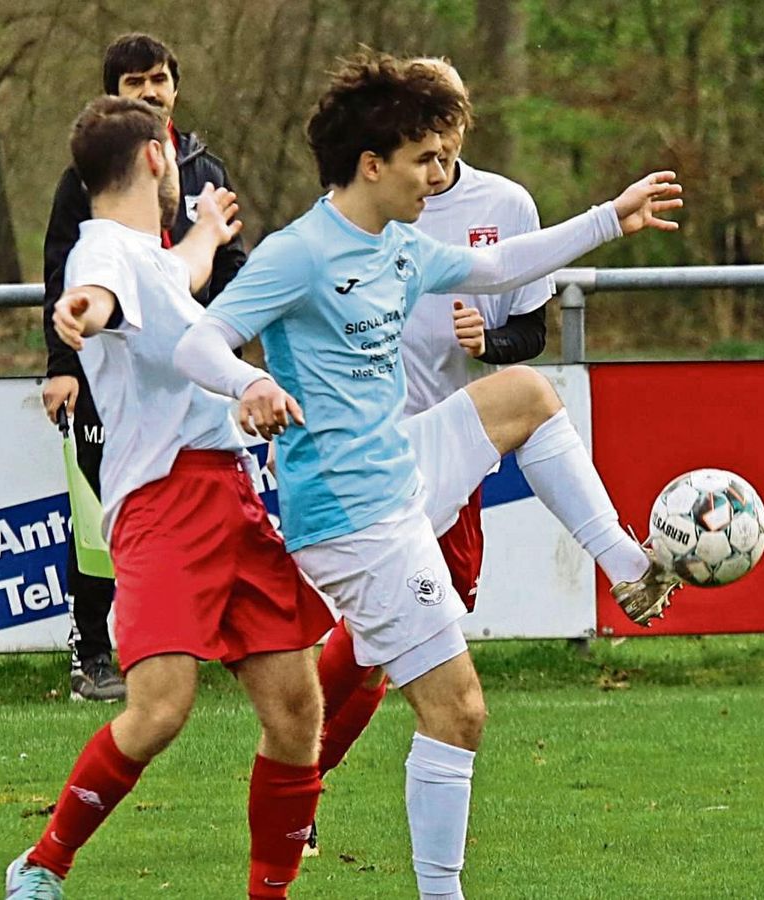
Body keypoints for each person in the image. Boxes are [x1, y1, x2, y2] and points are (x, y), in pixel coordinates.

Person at [174, 50, 683, 899]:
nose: (439, 176)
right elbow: (196, 340)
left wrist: (609, 218)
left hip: (398, 466)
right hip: (351, 515)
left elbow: (497, 268)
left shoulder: (399, 244)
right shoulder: (300, 253)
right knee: (458, 712)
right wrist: (251, 380)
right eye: (425, 160)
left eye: (445, 158)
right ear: (371, 164)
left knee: (523, 391)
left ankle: (627, 568)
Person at [4, 95, 333, 900]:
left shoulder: (149, 255)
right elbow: (106, 295)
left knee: (296, 711)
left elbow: (174, 280)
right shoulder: (102, 255)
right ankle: (41, 864)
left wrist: (206, 236)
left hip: (228, 494)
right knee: (158, 710)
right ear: (158, 158)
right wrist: (83, 312)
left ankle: (269, 893)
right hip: (161, 502)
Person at [309, 57, 559, 855]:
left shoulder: (504, 204)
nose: (439, 143)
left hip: (454, 446)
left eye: (449, 121)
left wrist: (491, 340)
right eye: (425, 123)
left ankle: (295, 776)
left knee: (397, 637)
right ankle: (297, 781)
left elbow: (529, 333)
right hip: (376, 461)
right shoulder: (364, 201)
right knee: (391, 637)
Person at [39, 33, 247, 703]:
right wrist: (74, 330)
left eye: (159, 78)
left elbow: (183, 270)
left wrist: (211, 234)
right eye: (135, 83)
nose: (151, 91)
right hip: (153, 439)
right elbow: (87, 278)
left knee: (292, 690)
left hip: (212, 447)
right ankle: (96, 647)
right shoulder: (93, 202)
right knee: (157, 709)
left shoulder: (203, 171)